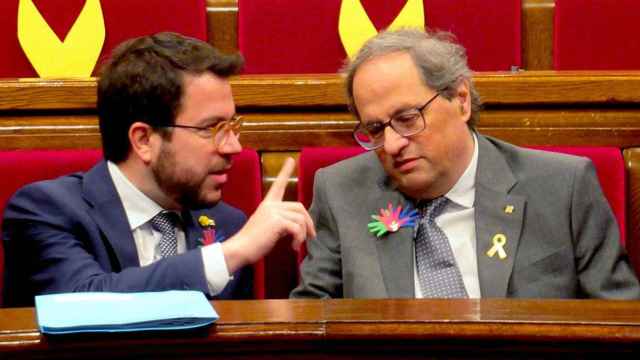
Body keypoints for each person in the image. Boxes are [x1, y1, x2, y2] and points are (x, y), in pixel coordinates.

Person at [291, 29, 640, 299]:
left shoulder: (562, 187)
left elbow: (617, 321)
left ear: (460, 101)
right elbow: (310, 321)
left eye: (408, 118)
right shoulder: (341, 192)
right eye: (376, 129)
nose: (393, 144)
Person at [2, 32, 315, 307]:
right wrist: (228, 255)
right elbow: (84, 302)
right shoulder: (46, 211)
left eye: (232, 125)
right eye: (211, 128)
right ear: (143, 140)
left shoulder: (227, 223)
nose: (233, 146)